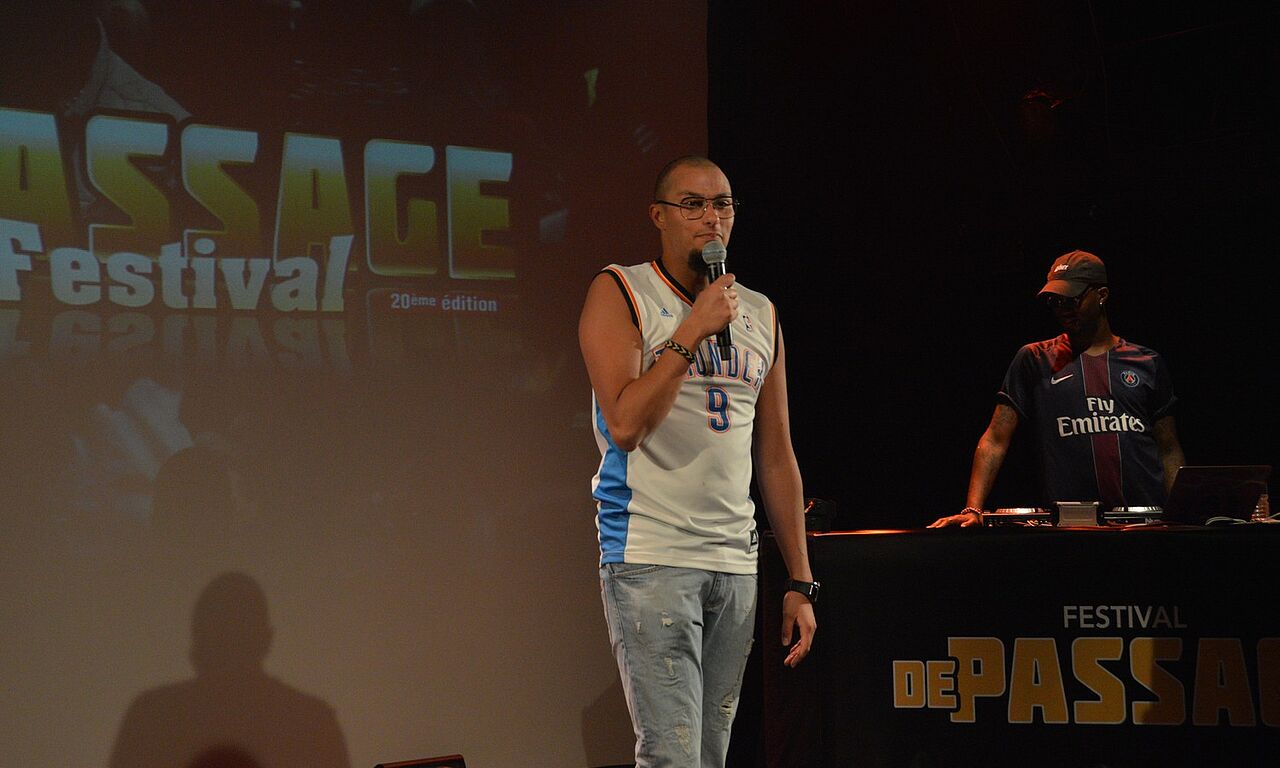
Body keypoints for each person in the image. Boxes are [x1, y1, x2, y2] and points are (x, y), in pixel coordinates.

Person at [578, 155, 817, 767]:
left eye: (723, 204)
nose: (712, 218)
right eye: (693, 205)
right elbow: (625, 425)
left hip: (733, 562)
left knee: (709, 756)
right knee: (672, 757)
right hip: (651, 553)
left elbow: (776, 453)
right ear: (658, 216)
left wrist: (799, 579)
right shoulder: (622, 291)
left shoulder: (759, 313)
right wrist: (691, 331)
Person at [929, 249, 1186, 528]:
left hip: (1144, 526)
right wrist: (973, 509)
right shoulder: (1034, 359)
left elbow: (1168, 448)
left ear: (1101, 295)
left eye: (1072, 298)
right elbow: (995, 439)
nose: (1063, 308)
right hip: (1070, 530)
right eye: (1055, 300)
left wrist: (1181, 514)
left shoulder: (1146, 362)